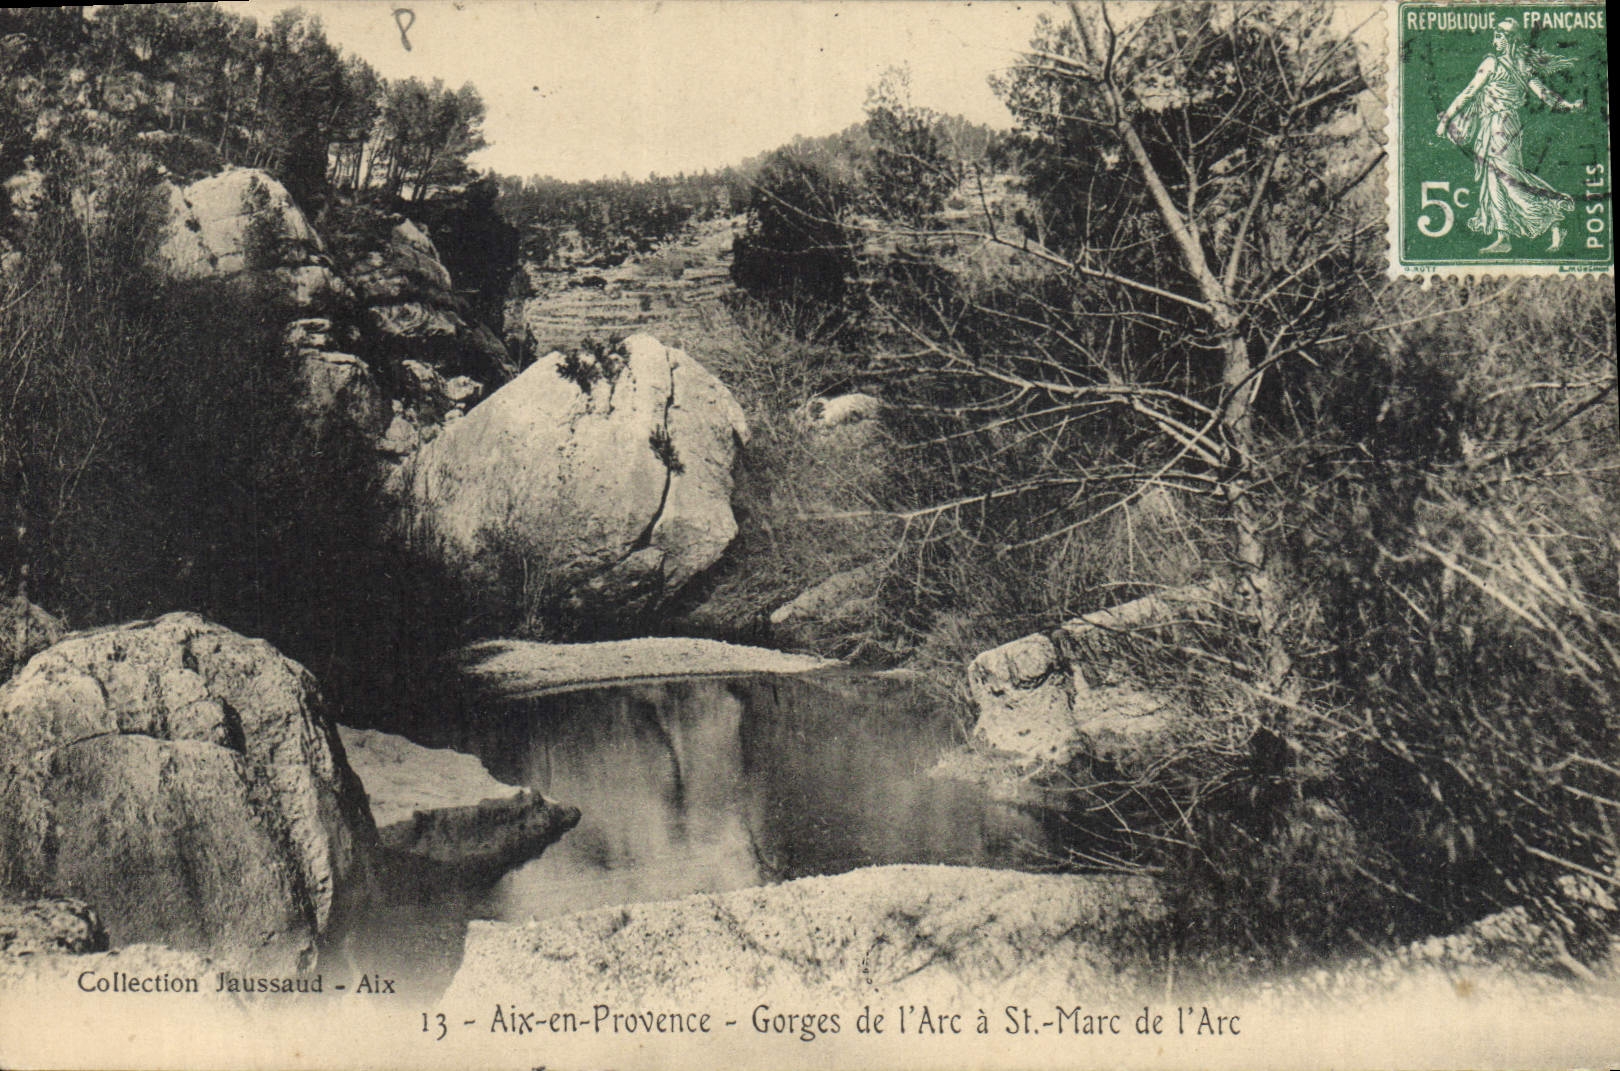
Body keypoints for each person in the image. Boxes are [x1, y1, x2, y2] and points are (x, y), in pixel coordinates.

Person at [1435, 18, 1584, 254]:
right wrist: (1568, 105)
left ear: (1510, 40)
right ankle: (1506, 235)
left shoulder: (1493, 63)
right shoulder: (1522, 66)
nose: (1495, 41)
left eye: (1499, 37)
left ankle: (1553, 215)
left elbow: (1469, 92)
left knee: (1506, 179)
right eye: (1495, 36)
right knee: (1498, 179)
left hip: (1499, 126)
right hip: (1507, 126)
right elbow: (1545, 95)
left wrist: (1446, 120)